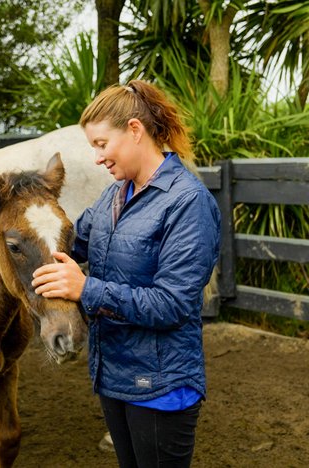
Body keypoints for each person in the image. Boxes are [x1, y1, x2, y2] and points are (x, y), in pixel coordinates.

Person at [31, 80, 221, 468]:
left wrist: (87, 289)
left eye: (102, 144)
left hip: (161, 384)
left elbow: (173, 304)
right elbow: (67, 242)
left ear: (135, 130)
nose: (98, 158)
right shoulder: (114, 196)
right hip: (113, 376)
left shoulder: (187, 202)